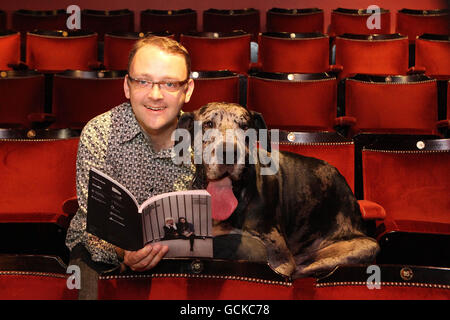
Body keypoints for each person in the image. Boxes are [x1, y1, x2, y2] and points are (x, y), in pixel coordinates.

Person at [65, 36, 196, 284]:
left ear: (187, 90)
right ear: (127, 86)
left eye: (169, 83)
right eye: (143, 81)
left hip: (179, 255)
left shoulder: (203, 138)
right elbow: (92, 227)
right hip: (102, 252)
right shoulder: (99, 133)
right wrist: (123, 253)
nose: (155, 95)